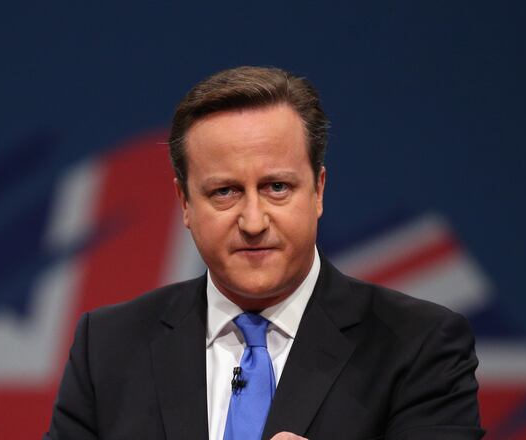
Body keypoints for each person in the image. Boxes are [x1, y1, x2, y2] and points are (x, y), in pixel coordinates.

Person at [45, 66, 484, 440]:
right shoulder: (108, 347)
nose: (253, 222)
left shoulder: (417, 345)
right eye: (225, 191)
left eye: (277, 187)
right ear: (185, 204)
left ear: (318, 191)